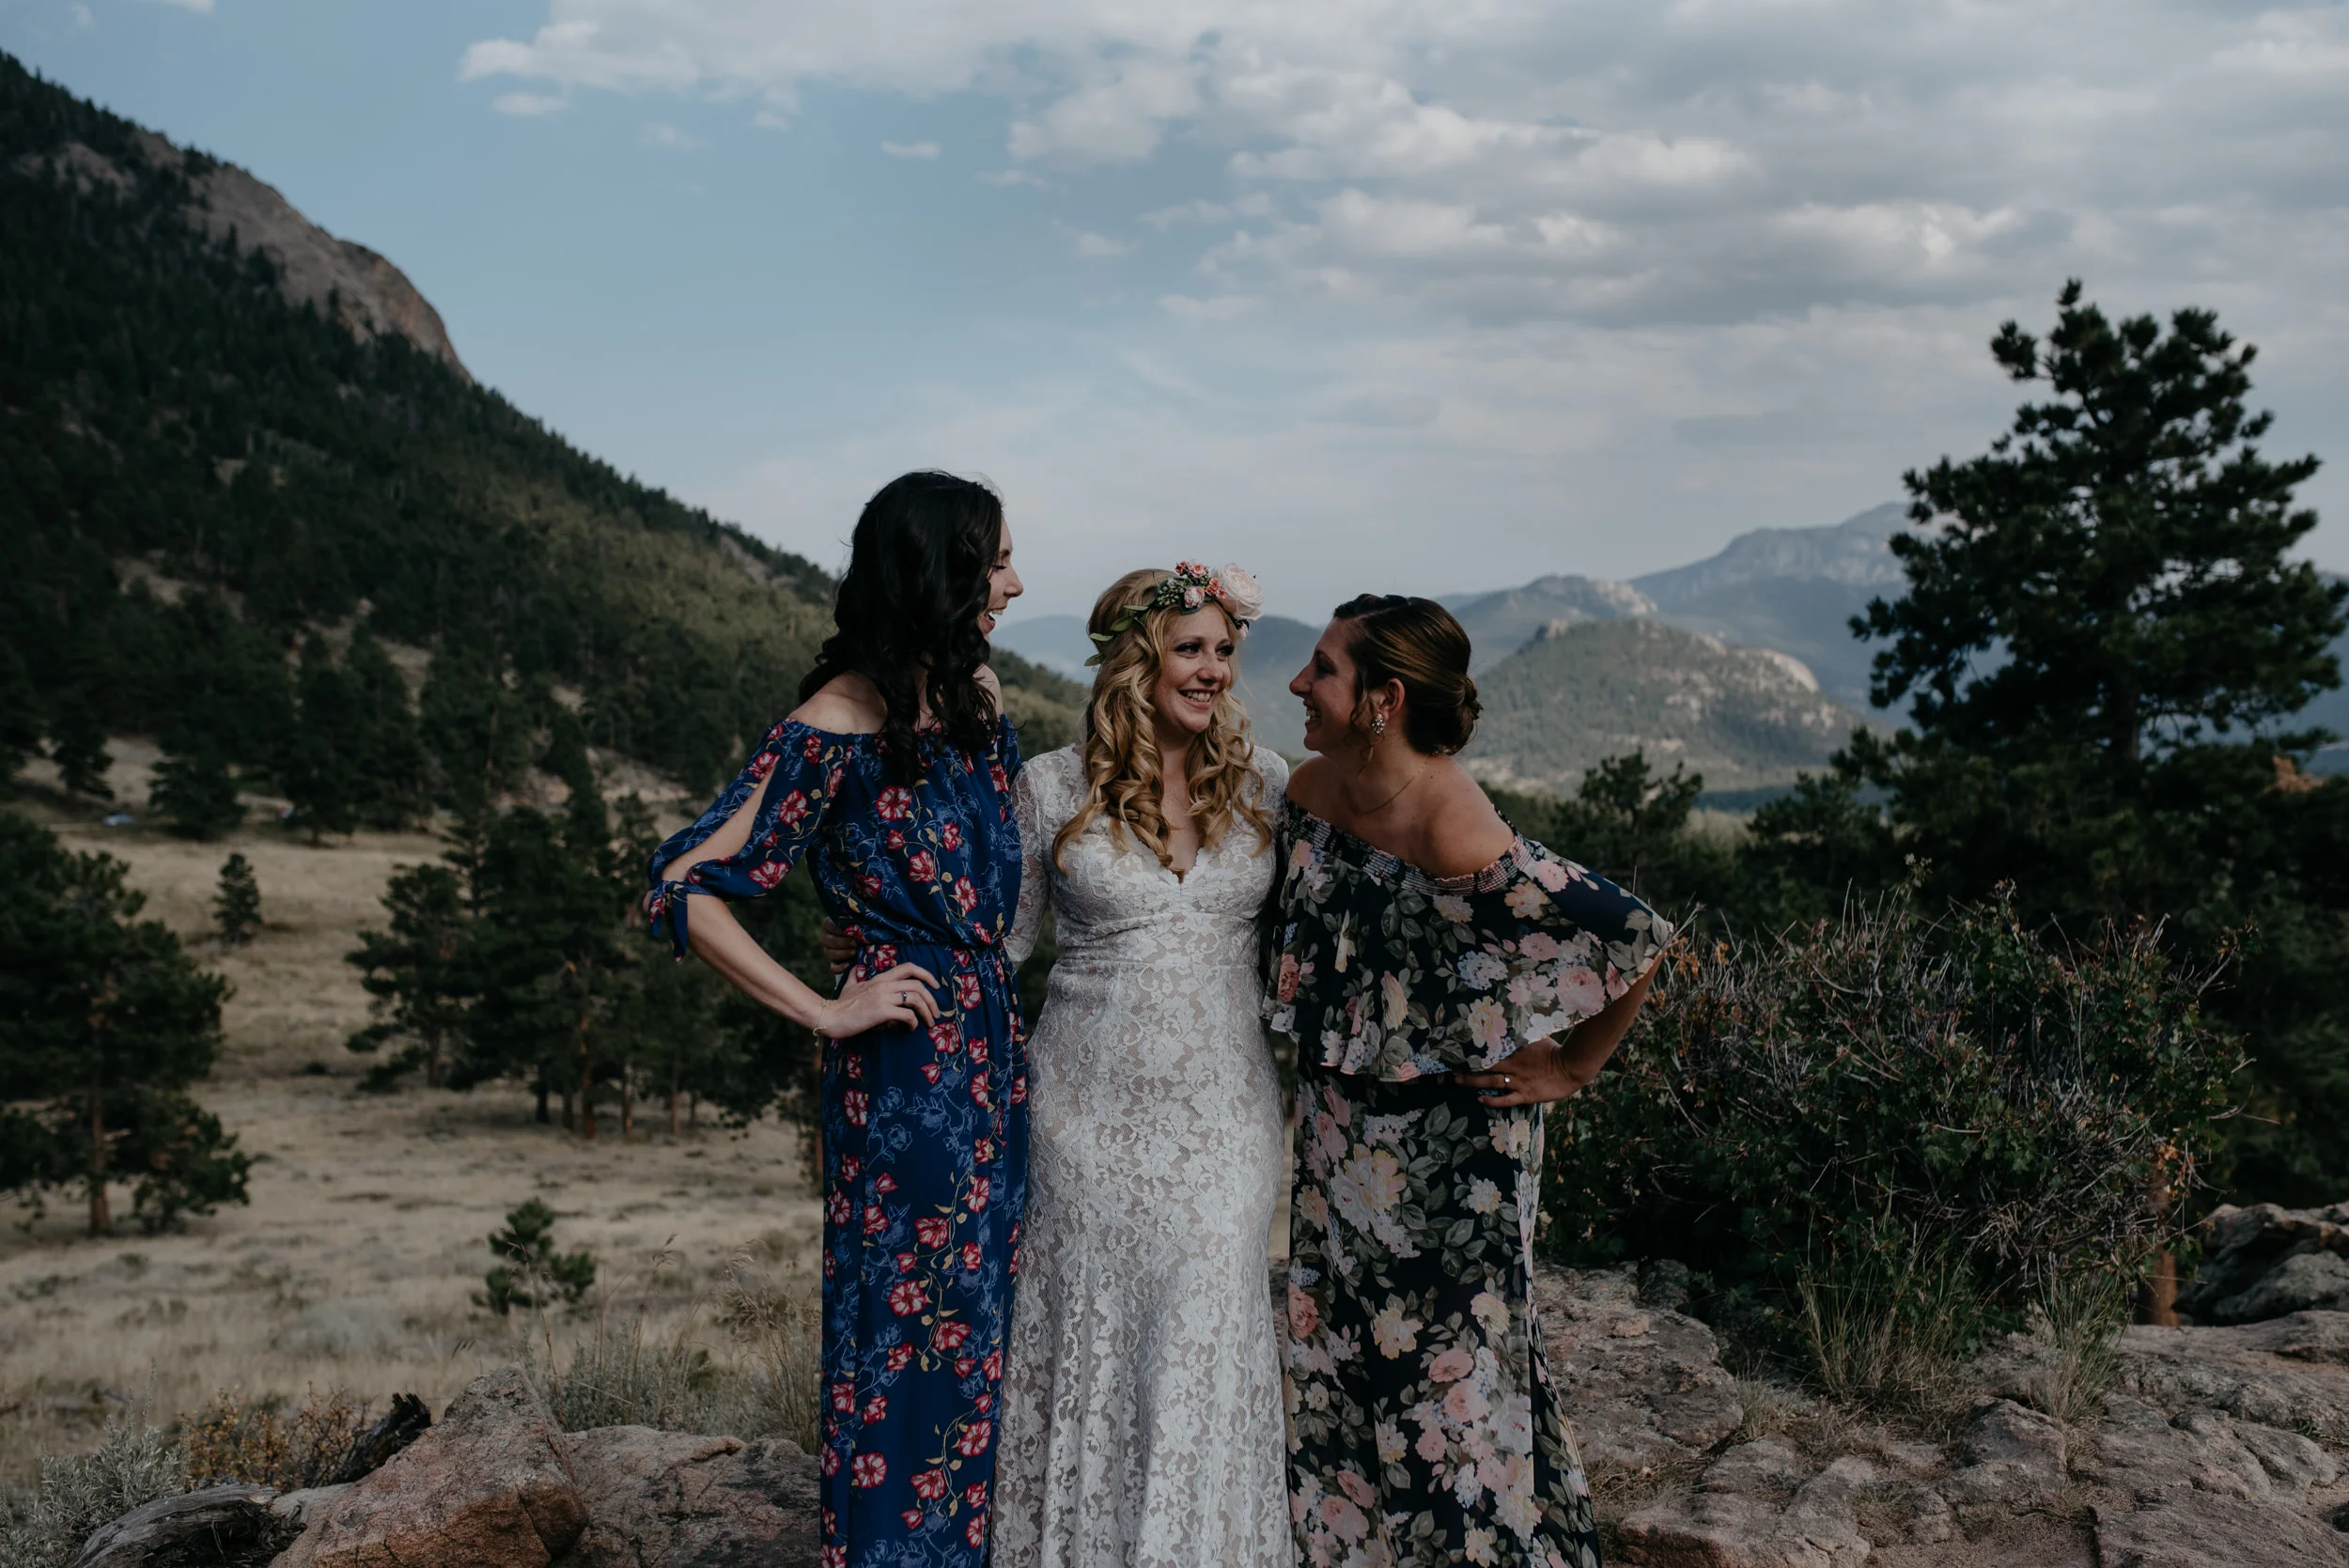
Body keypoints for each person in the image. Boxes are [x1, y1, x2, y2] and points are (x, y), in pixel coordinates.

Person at [645, 471, 1029, 1568]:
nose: (1015, 580)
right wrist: (824, 1005)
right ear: (941, 571)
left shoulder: (976, 699)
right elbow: (681, 883)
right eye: (997, 560)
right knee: (902, 1344)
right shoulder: (831, 725)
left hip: (997, 1067)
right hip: (904, 1084)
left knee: (980, 1342)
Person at [1268, 595, 1674, 1568]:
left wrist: (1571, 1066)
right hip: (1338, 1137)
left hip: (1453, 1155)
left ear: (1383, 699)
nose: (1296, 683)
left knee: (1450, 1396)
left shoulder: (1458, 830)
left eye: (1321, 669)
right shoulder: (1312, 791)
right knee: (1339, 1362)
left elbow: (1635, 940)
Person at [992, 563, 1294, 1566]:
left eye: (1223, 649)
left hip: (1225, 1123)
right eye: (1190, 648)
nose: (1212, 669)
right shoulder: (1046, 785)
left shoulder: (1267, 786)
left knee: (1203, 1339)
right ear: (1136, 658)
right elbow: (996, 947)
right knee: (1092, 1346)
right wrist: (874, 954)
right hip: (1080, 1119)